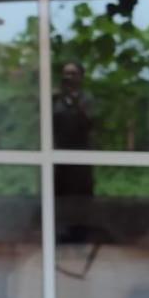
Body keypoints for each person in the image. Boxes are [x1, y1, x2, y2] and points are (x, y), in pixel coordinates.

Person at [53, 60, 95, 208]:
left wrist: (75, 102)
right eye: (66, 74)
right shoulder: (55, 99)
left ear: (81, 77)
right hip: (58, 154)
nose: (69, 77)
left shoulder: (87, 98)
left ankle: (81, 229)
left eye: (73, 74)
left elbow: (90, 123)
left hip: (80, 154)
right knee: (59, 195)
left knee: (81, 197)